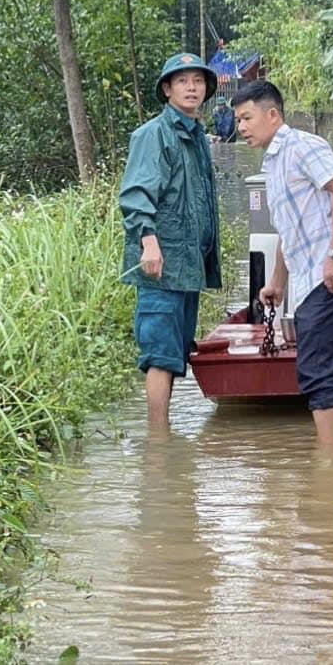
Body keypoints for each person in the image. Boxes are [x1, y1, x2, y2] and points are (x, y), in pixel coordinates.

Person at [231, 80, 333, 448]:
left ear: (272, 115)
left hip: (332, 273)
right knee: (315, 367)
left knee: (316, 369)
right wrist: (276, 282)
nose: (241, 128)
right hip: (308, 279)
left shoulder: (303, 146)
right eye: (238, 120)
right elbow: (290, 232)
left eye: (247, 118)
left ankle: (328, 463)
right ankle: (328, 455)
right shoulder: (273, 163)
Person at [119, 52, 222, 428]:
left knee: (176, 352)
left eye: (198, 81)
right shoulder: (152, 135)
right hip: (161, 265)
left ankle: (165, 438)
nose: (192, 87)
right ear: (167, 90)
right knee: (160, 354)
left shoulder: (196, 138)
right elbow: (135, 195)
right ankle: (159, 442)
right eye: (182, 81)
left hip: (188, 265)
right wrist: (148, 242)